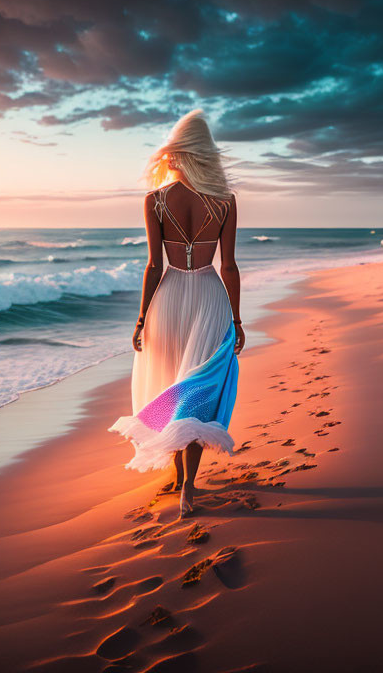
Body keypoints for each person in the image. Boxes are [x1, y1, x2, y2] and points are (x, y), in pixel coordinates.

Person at [108, 109, 245, 519]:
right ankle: (188, 483)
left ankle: (176, 475)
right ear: (206, 153)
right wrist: (236, 319)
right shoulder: (224, 202)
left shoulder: (155, 201)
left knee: (171, 381)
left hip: (168, 299)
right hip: (208, 295)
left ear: (175, 153)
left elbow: (153, 265)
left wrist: (140, 318)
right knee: (195, 389)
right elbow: (229, 266)